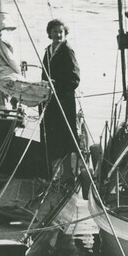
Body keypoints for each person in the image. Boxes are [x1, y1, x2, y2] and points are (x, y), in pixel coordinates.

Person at [40, 20, 85, 164]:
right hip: (49, 100)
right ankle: (51, 167)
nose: (58, 35)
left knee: (64, 135)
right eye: (55, 32)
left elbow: (74, 79)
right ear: (49, 33)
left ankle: (68, 170)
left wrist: (57, 89)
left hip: (63, 101)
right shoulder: (48, 51)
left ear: (65, 34)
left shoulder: (67, 51)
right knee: (49, 134)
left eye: (61, 32)